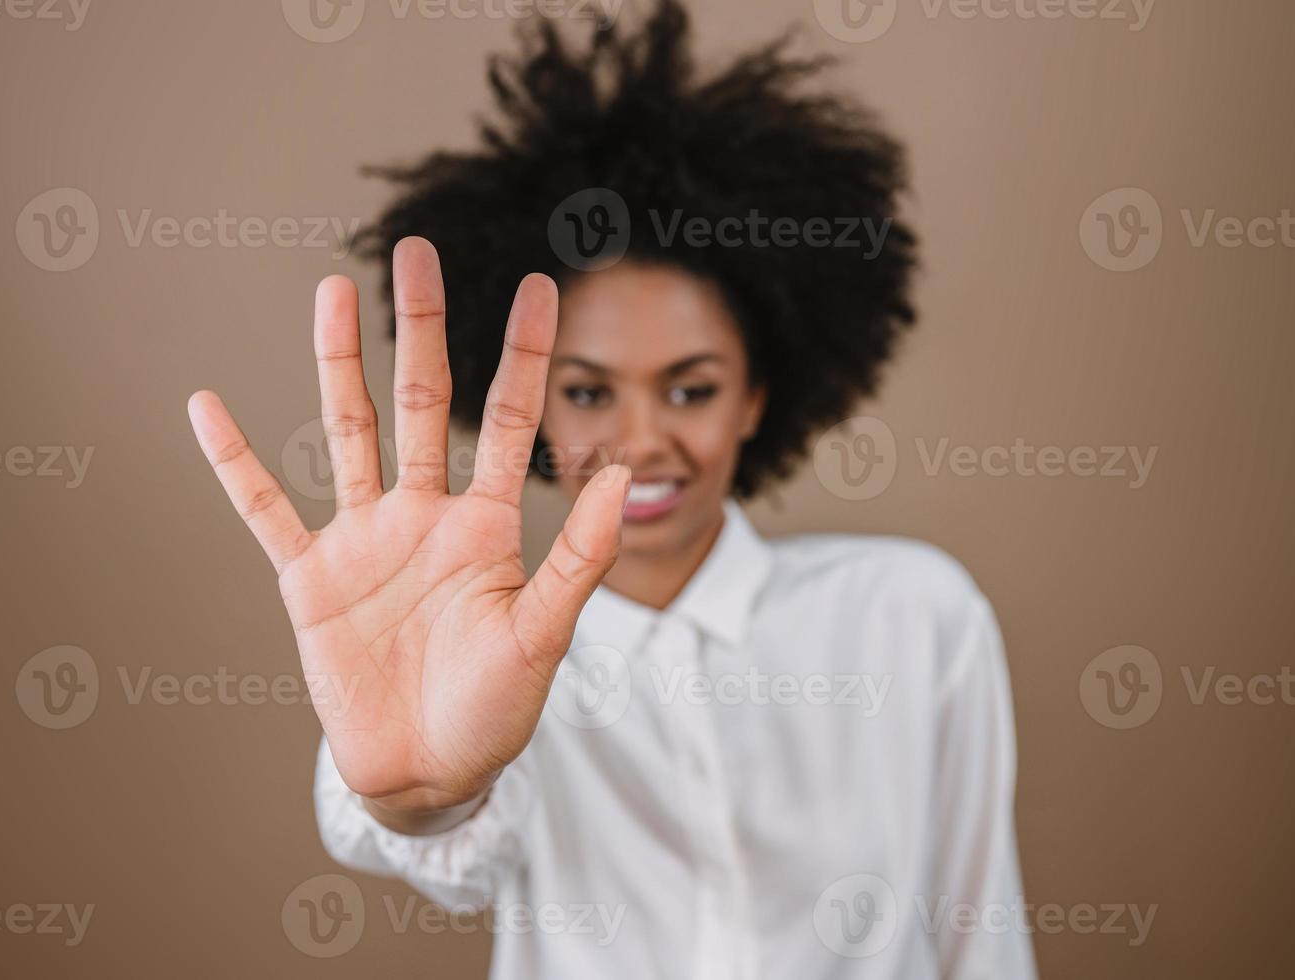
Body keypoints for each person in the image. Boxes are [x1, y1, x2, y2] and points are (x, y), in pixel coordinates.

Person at [186, 2, 1035, 976]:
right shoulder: (485, 654)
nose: (639, 442)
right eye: (588, 390)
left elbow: (983, 935)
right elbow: (442, 835)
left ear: (759, 395)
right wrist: (414, 792)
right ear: (533, 407)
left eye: (692, 386)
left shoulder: (912, 614)